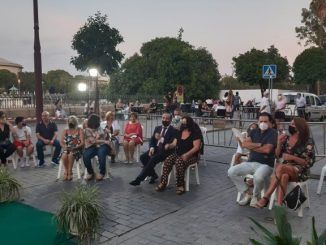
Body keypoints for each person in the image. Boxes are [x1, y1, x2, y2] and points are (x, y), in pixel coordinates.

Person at [255, 117, 315, 208]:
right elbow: (277, 155)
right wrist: (279, 142)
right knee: (284, 175)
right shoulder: (287, 139)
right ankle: (279, 206)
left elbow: (308, 163)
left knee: (281, 167)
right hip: (284, 170)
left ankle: (266, 197)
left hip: (301, 171)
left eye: (293, 124)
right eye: (290, 123)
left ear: (300, 127)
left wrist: (292, 157)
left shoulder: (308, 141)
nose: (290, 126)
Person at [227, 112, 277, 207]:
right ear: (258, 121)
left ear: (270, 122)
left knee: (258, 177)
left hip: (266, 164)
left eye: (265, 121)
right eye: (261, 121)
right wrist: (260, 145)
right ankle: (247, 193)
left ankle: (256, 196)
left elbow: (268, 150)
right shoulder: (254, 131)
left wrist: (253, 146)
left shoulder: (273, 133)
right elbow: (245, 144)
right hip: (251, 162)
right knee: (231, 171)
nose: (263, 123)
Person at [155, 116, 202, 195]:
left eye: (185, 123)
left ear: (189, 124)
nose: (183, 125)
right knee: (168, 160)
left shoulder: (195, 133)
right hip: (179, 153)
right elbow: (174, 144)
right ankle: (163, 182)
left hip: (192, 156)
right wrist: (169, 145)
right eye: (182, 123)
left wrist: (187, 154)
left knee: (179, 162)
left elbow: (196, 147)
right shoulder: (179, 132)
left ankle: (180, 185)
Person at [129, 113, 178, 186]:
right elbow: (152, 140)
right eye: (163, 118)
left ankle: (139, 179)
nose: (164, 120)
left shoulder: (174, 130)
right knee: (143, 157)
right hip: (156, 149)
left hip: (166, 151)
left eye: (167, 118)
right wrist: (151, 148)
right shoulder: (157, 128)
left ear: (170, 120)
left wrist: (161, 139)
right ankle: (153, 175)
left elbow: (171, 144)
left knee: (153, 159)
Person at [83, 114, 111, 181]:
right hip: (93, 146)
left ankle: (102, 173)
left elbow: (105, 135)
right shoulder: (87, 130)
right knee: (85, 155)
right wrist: (103, 140)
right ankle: (90, 172)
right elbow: (93, 141)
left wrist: (105, 133)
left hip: (103, 146)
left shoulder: (100, 127)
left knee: (101, 152)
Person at [60, 116, 84, 181]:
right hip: (67, 148)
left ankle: (70, 171)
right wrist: (65, 147)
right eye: (70, 123)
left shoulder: (80, 130)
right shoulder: (65, 130)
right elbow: (61, 142)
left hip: (77, 149)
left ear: (75, 123)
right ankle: (66, 171)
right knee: (64, 155)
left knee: (71, 155)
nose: (71, 124)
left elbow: (82, 142)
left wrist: (75, 147)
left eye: (72, 123)